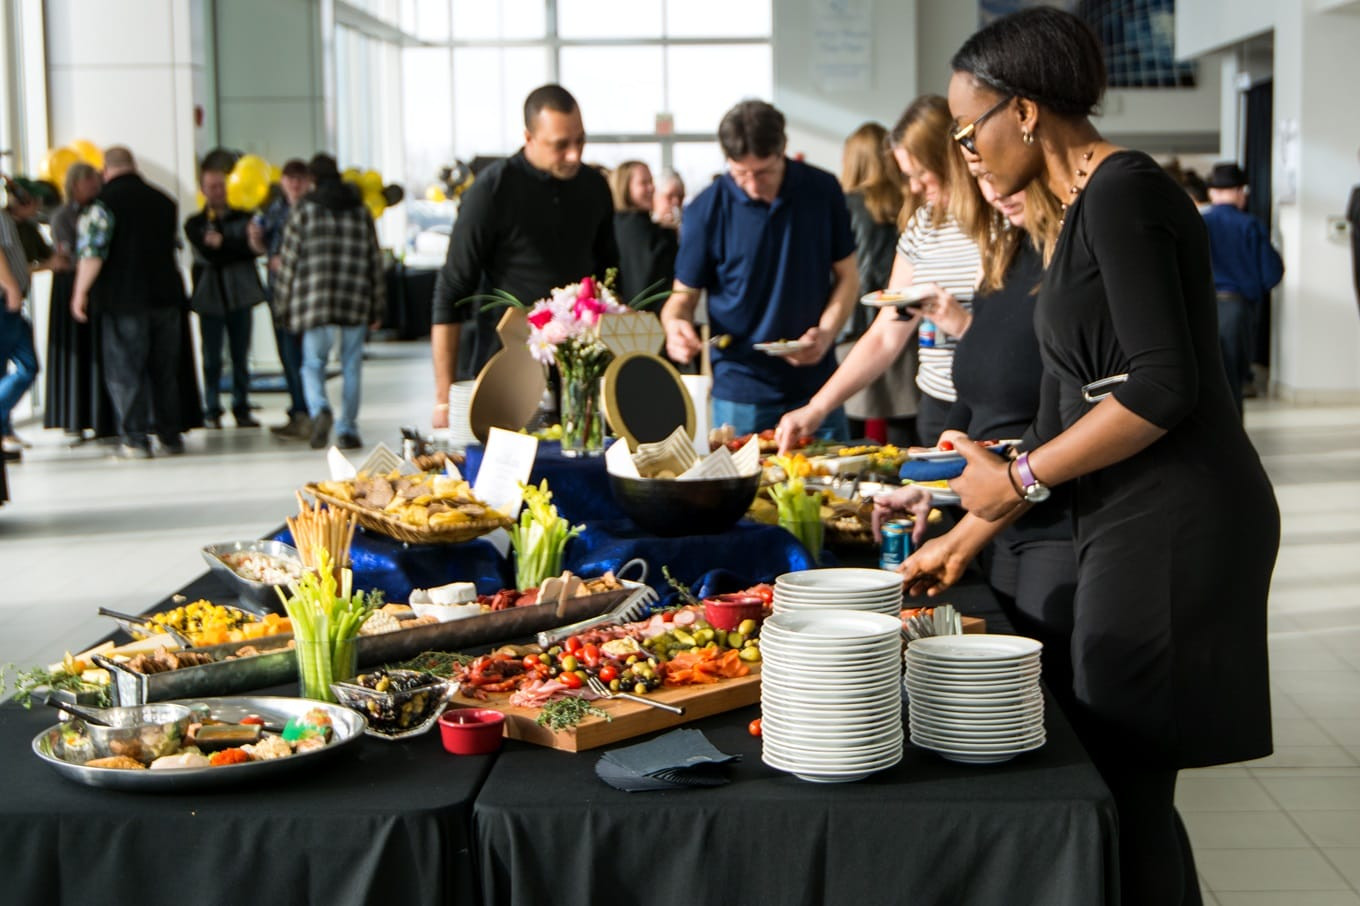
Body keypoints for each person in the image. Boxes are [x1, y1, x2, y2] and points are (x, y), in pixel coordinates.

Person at [903, 10, 1279, 904]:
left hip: (1173, 520)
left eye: (970, 130)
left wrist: (1022, 475)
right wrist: (967, 531)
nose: (967, 153)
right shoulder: (1078, 211)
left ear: (1023, 111)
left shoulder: (1124, 192)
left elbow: (1160, 387)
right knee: (1114, 787)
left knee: (1127, 788)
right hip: (1129, 514)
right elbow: (1074, 407)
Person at [775, 96, 986, 450]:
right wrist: (817, 408)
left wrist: (962, 323)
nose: (915, 187)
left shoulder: (1003, 222)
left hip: (990, 406)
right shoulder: (923, 225)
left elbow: (1024, 338)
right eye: (909, 176)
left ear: (951, 159)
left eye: (921, 174)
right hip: (936, 405)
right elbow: (885, 334)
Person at [660, 100, 859, 437]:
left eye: (763, 172)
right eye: (740, 173)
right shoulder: (706, 209)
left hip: (818, 386)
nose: (752, 184)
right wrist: (674, 325)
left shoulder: (822, 190)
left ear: (783, 150)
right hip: (742, 389)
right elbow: (681, 298)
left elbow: (848, 277)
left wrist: (826, 333)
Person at [429, 84, 618, 428]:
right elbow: (451, 291)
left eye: (580, 141)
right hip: (506, 370)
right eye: (560, 145)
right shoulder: (492, 191)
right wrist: (444, 401)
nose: (574, 154)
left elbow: (609, 278)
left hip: (580, 377)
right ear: (528, 137)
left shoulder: (593, 187)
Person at [71, 146, 191, 459]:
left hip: (123, 300)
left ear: (105, 170)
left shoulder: (101, 205)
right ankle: (170, 436)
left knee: (125, 371)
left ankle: (136, 440)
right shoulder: (165, 201)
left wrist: (80, 292)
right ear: (133, 165)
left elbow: (93, 253)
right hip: (166, 297)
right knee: (164, 370)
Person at [274, 153, 385, 450]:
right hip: (354, 300)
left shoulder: (304, 210)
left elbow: (289, 263)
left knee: (312, 364)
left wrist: (281, 304)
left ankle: (320, 408)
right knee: (351, 366)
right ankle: (348, 429)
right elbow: (375, 260)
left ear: (313, 179)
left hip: (315, 302)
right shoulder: (360, 211)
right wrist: (378, 305)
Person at [837, 122, 915, 444]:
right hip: (902, 326)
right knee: (904, 432)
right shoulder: (909, 202)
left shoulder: (842, 206)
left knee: (849, 439)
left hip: (853, 331)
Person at [185, 154, 267, 429]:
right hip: (210, 299)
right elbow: (210, 253)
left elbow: (250, 250)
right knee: (211, 357)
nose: (217, 191)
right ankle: (212, 408)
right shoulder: (195, 223)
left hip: (240, 296)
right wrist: (234, 246)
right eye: (211, 186)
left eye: (221, 185)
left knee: (241, 356)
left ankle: (241, 406)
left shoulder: (244, 217)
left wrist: (226, 244)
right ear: (203, 190)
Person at [1202, 162, 1283, 413]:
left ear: (1211, 193)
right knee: (1233, 380)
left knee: (1206, 379)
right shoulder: (1250, 225)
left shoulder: (1198, 223)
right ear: (1240, 192)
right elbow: (1272, 272)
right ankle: (1233, 442)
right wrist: (1253, 290)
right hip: (1237, 308)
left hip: (1202, 308)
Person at [45, 162, 116, 442]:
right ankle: (75, 417)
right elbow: (67, 254)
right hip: (70, 285)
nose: (96, 186)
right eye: (90, 181)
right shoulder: (62, 216)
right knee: (75, 350)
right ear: (76, 184)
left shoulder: (101, 210)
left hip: (95, 284)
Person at [251, 158, 312, 439]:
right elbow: (263, 248)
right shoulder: (274, 209)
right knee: (287, 356)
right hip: (279, 293)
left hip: (306, 294)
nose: (295, 184)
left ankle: (307, 412)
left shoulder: (313, 210)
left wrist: (286, 263)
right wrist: (256, 240)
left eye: (300, 179)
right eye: (290, 179)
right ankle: (298, 411)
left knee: (304, 357)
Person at [0, 182, 46, 462]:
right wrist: (12, 289)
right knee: (26, 365)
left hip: (9, 301)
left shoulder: (13, 222)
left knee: (13, 368)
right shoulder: (2, 219)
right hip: (5, 302)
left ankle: (3, 431)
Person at [610, 160, 678, 302]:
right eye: (643, 183)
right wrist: (670, 234)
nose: (651, 188)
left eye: (651, 181)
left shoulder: (615, 223)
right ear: (625, 187)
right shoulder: (636, 228)